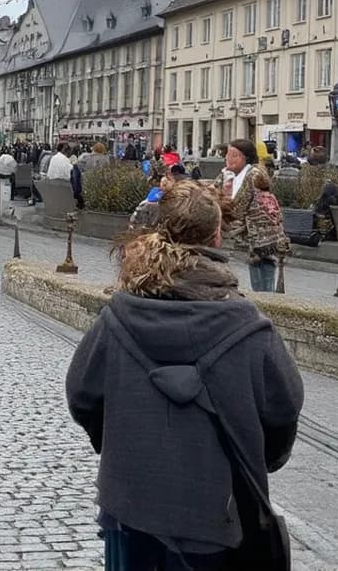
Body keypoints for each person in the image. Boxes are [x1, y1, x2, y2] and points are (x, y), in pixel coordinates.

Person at [66, 180, 304, 569]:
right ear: (217, 235)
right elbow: (283, 409)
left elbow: (81, 396)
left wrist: (121, 443)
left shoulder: (118, 316)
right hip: (214, 510)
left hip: (129, 503)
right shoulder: (248, 326)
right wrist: (256, 457)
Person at [222, 139, 285, 293]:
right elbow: (213, 192)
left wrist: (223, 205)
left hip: (262, 234)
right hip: (251, 235)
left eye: (234, 155)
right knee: (256, 270)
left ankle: (266, 301)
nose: (228, 158)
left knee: (263, 274)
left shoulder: (254, 175)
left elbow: (240, 205)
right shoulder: (228, 174)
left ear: (246, 158)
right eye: (228, 154)